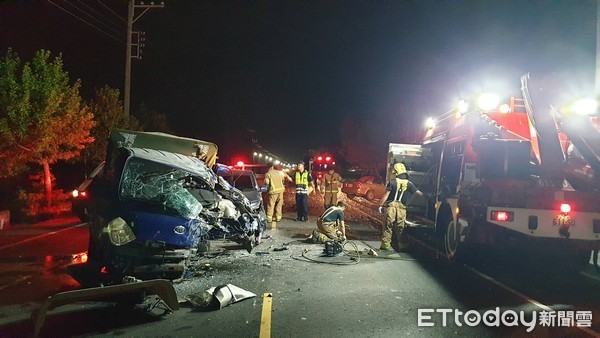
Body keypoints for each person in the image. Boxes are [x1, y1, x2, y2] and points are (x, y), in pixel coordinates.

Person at [378, 162, 425, 251]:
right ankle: (403, 246)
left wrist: (380, 204)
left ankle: (385, 245)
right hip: (402, 209)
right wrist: (428, 197)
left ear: (396, 172)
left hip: (391, 208)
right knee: (400, 228)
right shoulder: (409, 183)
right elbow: (418, 193)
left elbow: (386, 194)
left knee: (388, 227)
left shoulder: (392, 182)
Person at [264, 163, 292, 229]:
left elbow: (267, 184)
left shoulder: (268, 174)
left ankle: (269, 218)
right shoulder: (279, 172)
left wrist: (265, 191)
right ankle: (278, 217)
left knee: (271, 205)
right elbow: (283, 180)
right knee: (279, 204)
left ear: (268, 168)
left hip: (273, 192)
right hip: (281, 191)